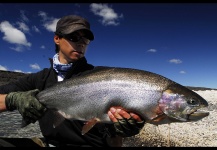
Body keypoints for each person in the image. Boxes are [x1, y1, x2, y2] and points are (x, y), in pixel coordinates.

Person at [0, 14, 145, 147]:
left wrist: (127, 127)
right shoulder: (38, 79)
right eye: (74, 37)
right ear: (57, 39)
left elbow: (115, 131)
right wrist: (13, 100)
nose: (81, 43)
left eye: (85, 39)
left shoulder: (101, 78)